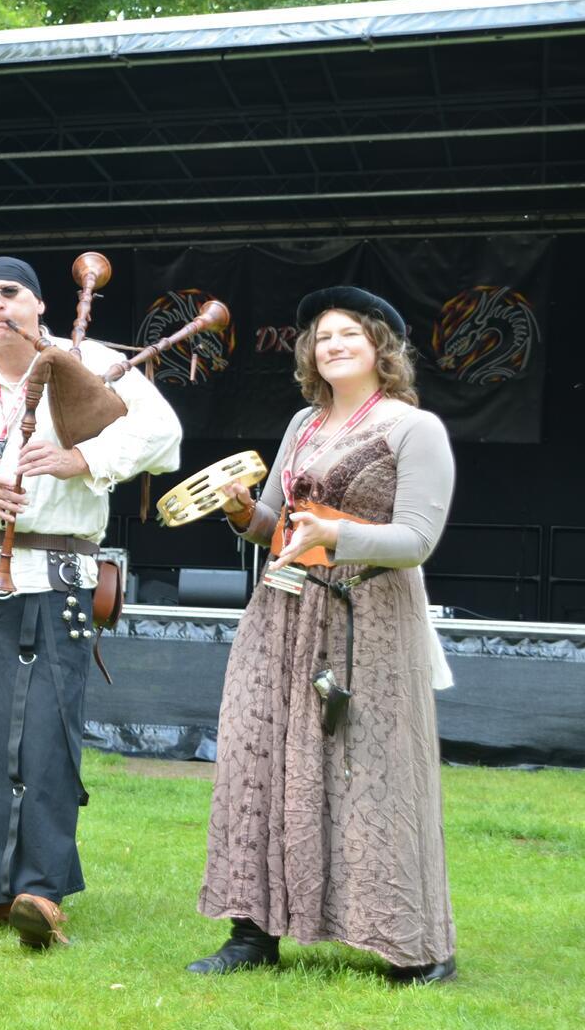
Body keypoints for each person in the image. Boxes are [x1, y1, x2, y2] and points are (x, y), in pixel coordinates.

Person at [0, 256, 181, 947]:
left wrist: (83, 460)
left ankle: (39, 890)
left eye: (12, 293)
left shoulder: (85, 361)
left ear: (38, 306)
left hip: (54, 579)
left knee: (43, 740)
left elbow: (164, 436)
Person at [192, 286, 458, 985]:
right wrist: (244, 511)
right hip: (281, 611)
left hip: (365, 617)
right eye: (322, 336)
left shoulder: (412, 428)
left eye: (349, 334)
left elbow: (418, 540)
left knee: (373, 772)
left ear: (381, 348)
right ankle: (252, 933)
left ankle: (415, 942)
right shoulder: (303, 425)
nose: (333, 344)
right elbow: (274, 525)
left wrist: (337, 533)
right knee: (259, 759)